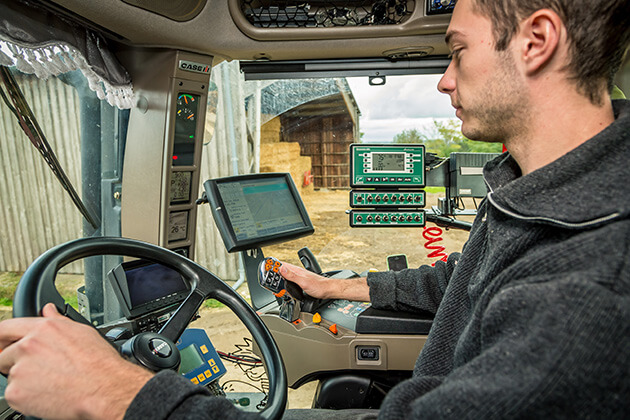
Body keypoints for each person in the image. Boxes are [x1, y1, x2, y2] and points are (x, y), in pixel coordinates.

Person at [1, 0, 630, 418]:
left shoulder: (592, 289)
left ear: (536, 41)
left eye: (458, 50)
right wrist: (337, 284)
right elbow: (456, 284)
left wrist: (119, 394)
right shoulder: (535, 198)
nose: (444, 78)